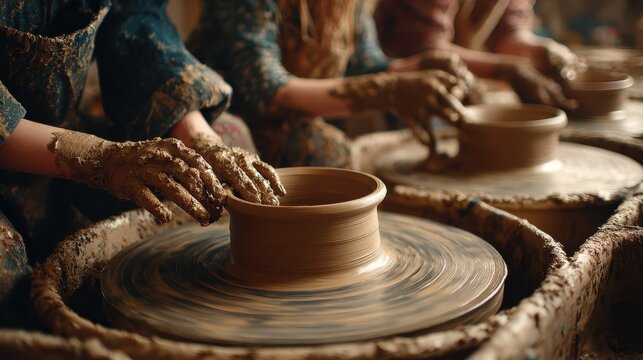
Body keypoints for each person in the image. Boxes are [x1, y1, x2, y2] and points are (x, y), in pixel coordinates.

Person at [0, 0, 283, 326]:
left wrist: (203, 141)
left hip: (59, 133)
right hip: (17, 151)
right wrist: (98, 158)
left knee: (227, 142)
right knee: (9, 278)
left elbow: (137, 23)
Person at [190, 0, 479, 169]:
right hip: (220, 118)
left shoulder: (346, 6)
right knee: (324, 151)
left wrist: (420, 66)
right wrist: (389, 90)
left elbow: (367, 66)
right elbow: (267, 91)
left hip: (297, 119)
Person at [375, 0, 583, 109]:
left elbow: (508, 33)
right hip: (400, 85)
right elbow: (426, 47)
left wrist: (541, 50)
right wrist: (505, 68)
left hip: (459, 78)